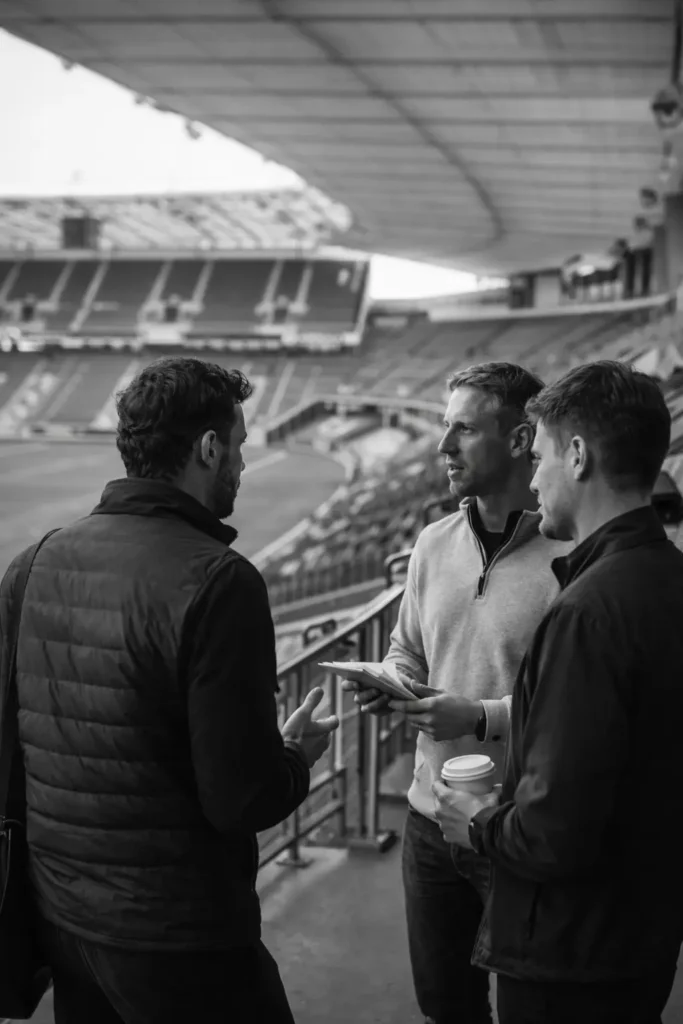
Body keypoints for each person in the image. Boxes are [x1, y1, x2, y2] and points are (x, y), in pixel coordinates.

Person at [0, 356, 338, 1024]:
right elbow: (239, 797)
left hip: (62, 919)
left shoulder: (31, 563)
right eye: (237, 446)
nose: (239, 464)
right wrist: (296, 755)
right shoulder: (220, 581)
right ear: (209, 449)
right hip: (180, 934)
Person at [433, 360, 683, 1024]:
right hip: (640, 934)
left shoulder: (588, 610)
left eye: (539, 455)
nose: (534, 478)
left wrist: (475, 820)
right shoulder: (666, 576)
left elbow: (552, 833)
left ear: (575, 456)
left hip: (570, 954)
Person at [343, 362, 572, 1024]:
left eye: (463, 430)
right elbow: (406, 646)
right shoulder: (430, 542)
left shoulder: (572, 556)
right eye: (444, 428)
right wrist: (391, 683)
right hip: (428, 825)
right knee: (446, 1007)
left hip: (518, 828)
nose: (442, 446)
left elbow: (575, 709)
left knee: (533, 1007)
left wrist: (475, 717)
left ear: (521, 438)